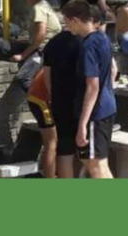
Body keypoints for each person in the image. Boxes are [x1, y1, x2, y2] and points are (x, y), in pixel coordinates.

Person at [60, 0, 116, 179]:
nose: (67, 27)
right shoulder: (103, 38)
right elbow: (113, 70)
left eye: (67, 22)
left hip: (95, 113)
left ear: (75, 20)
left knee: (96, 165)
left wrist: (83, 125)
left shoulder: (88, 45)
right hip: (107, 105)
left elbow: (92, 86)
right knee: (93, 162)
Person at [39, 27, 82, 178]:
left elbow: (46, 75)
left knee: (64, 149)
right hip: (79, 103)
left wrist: (53, 96)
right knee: (55, 143)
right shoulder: (86, 42)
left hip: (58, 101)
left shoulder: (52, 43)